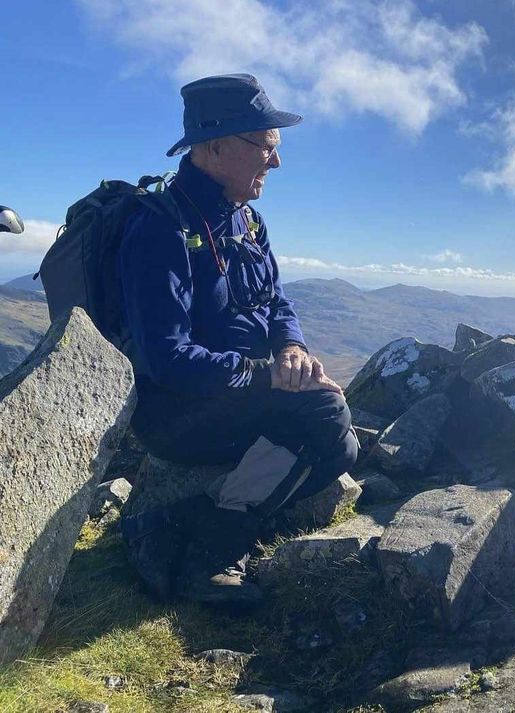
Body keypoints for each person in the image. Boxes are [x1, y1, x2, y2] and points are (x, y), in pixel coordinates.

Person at [117, 74, 358, 606]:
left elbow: (277, 302)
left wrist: (292, 350)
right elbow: (167, 357)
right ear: (216, 147)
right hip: (179, 411)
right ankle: (209, 556)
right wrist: (267, 376)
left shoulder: (247, 220)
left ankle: (176, 521)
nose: (276, 162)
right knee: (325, 421)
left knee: (341, 442)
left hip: (238, 395)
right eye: (266, 147)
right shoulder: (161, 230)